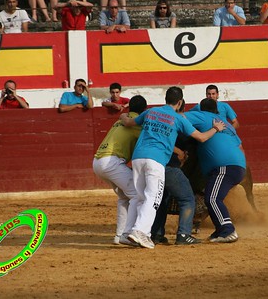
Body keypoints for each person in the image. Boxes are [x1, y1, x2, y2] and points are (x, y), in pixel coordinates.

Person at [119, 86, 226, 249]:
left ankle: (127, 233)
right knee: (153, 198)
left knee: (140, 197)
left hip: (138, 157)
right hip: (156, 160)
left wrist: (122, 114)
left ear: (165, 99)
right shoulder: (178, 119)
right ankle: (140, 231)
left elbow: (127, 122)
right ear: (180, 102)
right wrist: (216, 128)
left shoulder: (151, 112)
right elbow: (202, 138)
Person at [185, 98, 246, 243]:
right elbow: (241, 148)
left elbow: (178, 118)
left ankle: (228, 230)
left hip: (224, 166)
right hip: (238, 166)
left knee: (212, 199)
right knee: (213, 197)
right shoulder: (228, 126)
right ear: (217, 111)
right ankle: (220, 230)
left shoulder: (202, 115)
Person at [93, 95, 147, 246]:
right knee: (137, 195)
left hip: (97, 161)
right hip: (111, 162)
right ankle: (127, 233)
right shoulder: (137, 124)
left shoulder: (120, 119)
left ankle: (119, 235)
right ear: (144, 110)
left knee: (125, 197)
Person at [150, 100, 202, 246]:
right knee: (187, 199)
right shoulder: (182, 122)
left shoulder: (157, 119)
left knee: (162, 200)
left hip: (155, 164)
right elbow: (199, 139)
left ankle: (156, 234)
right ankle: (184, 234)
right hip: (171, 166)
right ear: (180, 106)